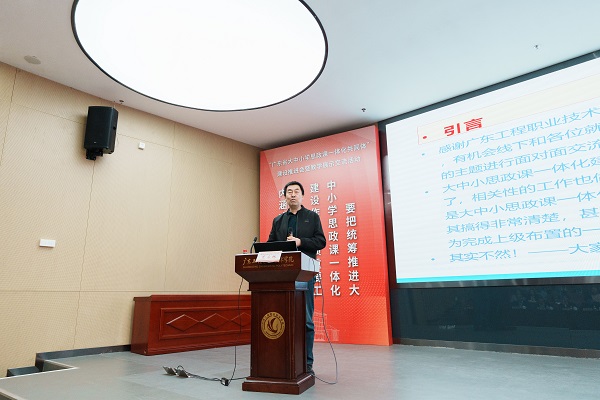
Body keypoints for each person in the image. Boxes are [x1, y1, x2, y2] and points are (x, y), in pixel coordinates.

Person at [268, 180, 326, 375]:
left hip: (305, 274)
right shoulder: (278, 220)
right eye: (289, 192)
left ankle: (307, 362)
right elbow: (270, 244)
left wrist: (300, 242)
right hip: (283, 275)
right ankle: (283, 360)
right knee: (283, 317)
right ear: (285, 196)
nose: (292, 194)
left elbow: (321, 241)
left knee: (306, 319)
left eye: (296, 192)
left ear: (302, 196)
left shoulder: (312, 217)